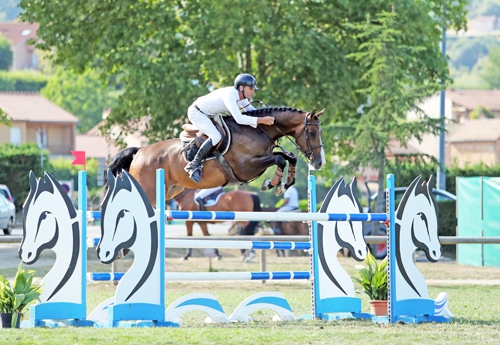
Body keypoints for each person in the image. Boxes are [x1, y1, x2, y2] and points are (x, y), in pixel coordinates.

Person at [184, 73, 275, 182]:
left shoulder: (242, 96)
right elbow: (239, 119)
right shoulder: (230, 95)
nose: (253, 91)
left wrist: (271, 117)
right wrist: (262, 120)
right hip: (197, 113)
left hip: (212, 114)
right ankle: (193, 164)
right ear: (241, 88)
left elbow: (251, 112)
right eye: (251, 88)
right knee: (216, 136)